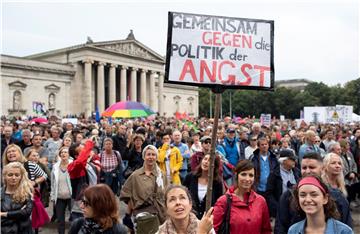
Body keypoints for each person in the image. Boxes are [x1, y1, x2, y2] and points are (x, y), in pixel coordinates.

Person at [274, 152, 352, 234]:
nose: (307, 171)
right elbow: (280, 227)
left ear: (322, 169)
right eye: (304, 168)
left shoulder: (337, 197)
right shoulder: (288, 196)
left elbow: (347, 224)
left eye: (312, 167)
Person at [213, 159, 272, 234]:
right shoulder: (223, 201)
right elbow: (213, 229)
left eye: (251, 175)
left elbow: (266, 230)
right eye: (243, 174)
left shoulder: (260, 201)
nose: (247, 179)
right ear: (236, 175)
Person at [120, 145, 167, 232]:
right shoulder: (136, 176)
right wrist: (127, 216)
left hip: (162, 215)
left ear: (156, 157)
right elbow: (130, 197)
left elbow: (166, 196)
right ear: (144, 156)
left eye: (153, 155)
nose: (151, 157)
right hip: (144, 217)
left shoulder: (162, 175)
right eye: (148, 154)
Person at [288, 175, 353, 234]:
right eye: (303, 195)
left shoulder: (344, 231)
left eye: (314, 195)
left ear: (325, 199)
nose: (308, 200)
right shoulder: (293, 230)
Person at [183, 154, 223, 219]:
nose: (206, 162)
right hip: (190, 218)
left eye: (210, 160)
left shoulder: (217, 182)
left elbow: (218, 203)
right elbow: (183, 194)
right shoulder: (190, 177)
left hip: (208, 219)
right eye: (205, 159)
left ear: (214, 165)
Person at [265, 149, 300, 218]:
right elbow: (269, 193)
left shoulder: (297, 172)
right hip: (281, 210)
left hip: (296, 209)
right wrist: (277, 207)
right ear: (284, 161)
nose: (294, 161)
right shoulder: (274, 174)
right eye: (292, 159)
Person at [1, 162, 34, 234]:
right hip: (5, 231)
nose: (13, 178)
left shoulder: (27, 192)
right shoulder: (0, 193)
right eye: (10, 175)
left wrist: (3, 214)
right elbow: (22, 214)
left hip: (24, 230)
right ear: (5, 176)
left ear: (21, 177)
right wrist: (18, 213)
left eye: (17, 175)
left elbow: (26, 213)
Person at [50, 147, 73, 234]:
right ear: (60, 155)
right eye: (62, 152)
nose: (63, 154)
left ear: (69, 154)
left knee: (74, 219)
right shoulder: (55, 166)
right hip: (59, 197)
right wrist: (52, 195)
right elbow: (52, 183)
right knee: (60, 220)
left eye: (66, 152)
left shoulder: (73, 164)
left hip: (71, 197)